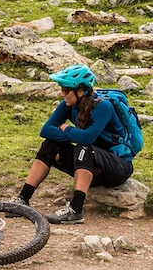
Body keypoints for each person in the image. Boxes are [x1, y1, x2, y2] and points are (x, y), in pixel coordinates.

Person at [13, 64, 135, 224]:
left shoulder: (103, 106)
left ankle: (75, 210)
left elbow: (87, 138)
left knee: (84, 147)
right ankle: (23, 199)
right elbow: (46, 130)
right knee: (50, 144)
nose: (63, 94)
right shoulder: (68, 105)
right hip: (91, 164)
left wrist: (67, 128)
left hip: (118, 167)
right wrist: (73, 136)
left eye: (65, 90)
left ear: (81, 91)